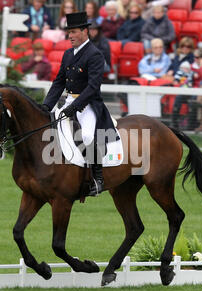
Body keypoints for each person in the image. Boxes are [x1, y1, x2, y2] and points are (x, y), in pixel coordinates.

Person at [41, 12, 117, 197]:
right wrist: (46, 106)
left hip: (89, 105)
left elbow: (93, 87)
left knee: (88, 136)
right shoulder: (68, 54)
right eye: (69, 32)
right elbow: (59, 82)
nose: (70, 36)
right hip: (68, 101)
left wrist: (74, 107)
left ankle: (97, 179)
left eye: (74, 32)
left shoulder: (95, 55)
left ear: (85, 31)